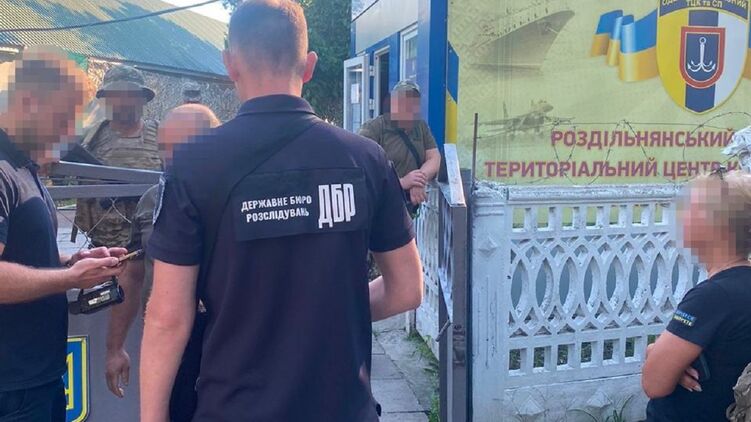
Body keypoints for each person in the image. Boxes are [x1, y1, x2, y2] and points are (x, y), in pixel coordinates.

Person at [139, 1, 424, 421]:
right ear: (309, 66)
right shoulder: (366, 160)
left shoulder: (193, 166)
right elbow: (407, 289)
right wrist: (326, 311)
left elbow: (167, 318)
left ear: (230, 65)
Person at [0, 48, 126, 422]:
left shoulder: (23, 167)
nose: (68, 132)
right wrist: (68, 279)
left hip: (37, 377)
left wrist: (73, 261)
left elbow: (22, 255)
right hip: (12, 388)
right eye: (63, 117)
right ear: (28, 102)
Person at [105, 104, 220, 419]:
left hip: (223, 343)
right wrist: (115, 347)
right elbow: (132, 275)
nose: (169, 158)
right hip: (169, 347)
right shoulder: (152, 202)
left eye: (181, 148)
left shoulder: (236, 199)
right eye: (163, 148)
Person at [643, 169, 751, 421]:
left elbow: (654, 383)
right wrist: (665, 359)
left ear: (716, 227)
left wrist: (657, 354)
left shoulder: (713, 297)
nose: (682, 217)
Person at [74, 64, 162, 248]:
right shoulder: (89, 139)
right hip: (102, 247)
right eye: (116, 95)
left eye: (131, 95)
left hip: (152, 247)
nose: (123, 102)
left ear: (143, 99)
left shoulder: (163, 137)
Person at [359, 80, 442, 215]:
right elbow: (363, 167)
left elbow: (434, 157)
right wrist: (402, 182)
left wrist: (418, 179)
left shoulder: (421, 127)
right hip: (381, 207)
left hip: (411, 207)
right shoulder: (374, 128)